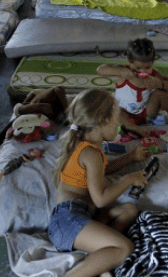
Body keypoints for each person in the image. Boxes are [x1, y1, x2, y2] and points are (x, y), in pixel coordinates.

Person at [48, 88, 152, 277]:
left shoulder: (89, 147)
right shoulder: (91, 153)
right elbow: (101, 200)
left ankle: (99, 257)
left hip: (83, 216)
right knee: (124, 248)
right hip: (68, 221)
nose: (118, 125)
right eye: (115, 120)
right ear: (103, 121)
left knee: (129, 210)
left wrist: (129, 158)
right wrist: (128, 179)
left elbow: (99, 173)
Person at [97, 38, 168, 137]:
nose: (143, 71)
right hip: (124, 114)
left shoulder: (153, 75)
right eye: (137, 68)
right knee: (112, 108)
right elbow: (100, 70)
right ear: (129, 61)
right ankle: (132, 127)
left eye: (147, 68)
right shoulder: (123, 72)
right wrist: (119, 71)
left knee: (161, 93)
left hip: (145, 113)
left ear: (152, 62)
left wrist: (160, 84)